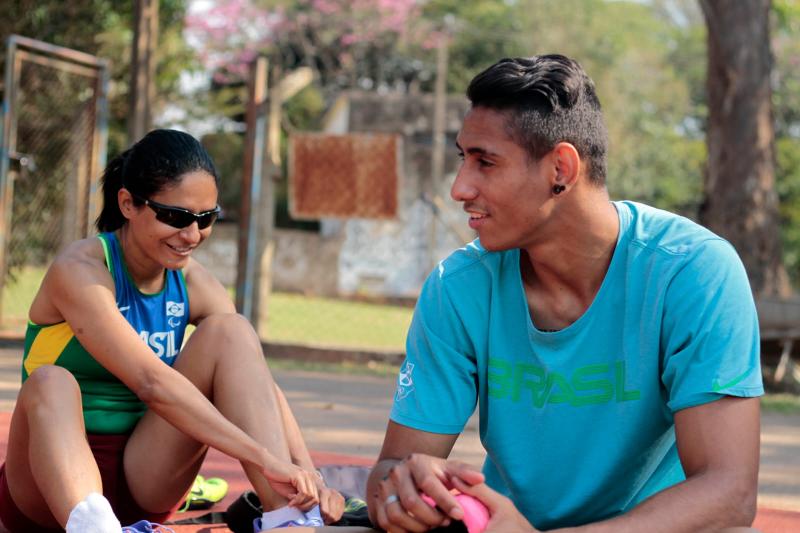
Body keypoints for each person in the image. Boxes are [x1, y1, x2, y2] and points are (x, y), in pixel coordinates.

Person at [366, 55, 764, 532]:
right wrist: (405, 488)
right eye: (462, 158)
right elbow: (388, 473)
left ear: (560, 167)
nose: (459, 188)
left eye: (485, 162)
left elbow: (728, 493)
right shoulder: (458, 286)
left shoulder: (692, 271)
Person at [1, 129, 345, 532]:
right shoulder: (81, 271)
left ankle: (289, 517)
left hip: (144, 477)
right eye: (177, 217)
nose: (193, 235)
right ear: (128, 204)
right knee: (50, 382)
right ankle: (95, 525)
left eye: (207, 218)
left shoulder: (192, 283)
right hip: (46, 489)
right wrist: (264, 458)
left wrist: (306, 474)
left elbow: (256, 382)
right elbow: (151, 382)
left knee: (232, 333)